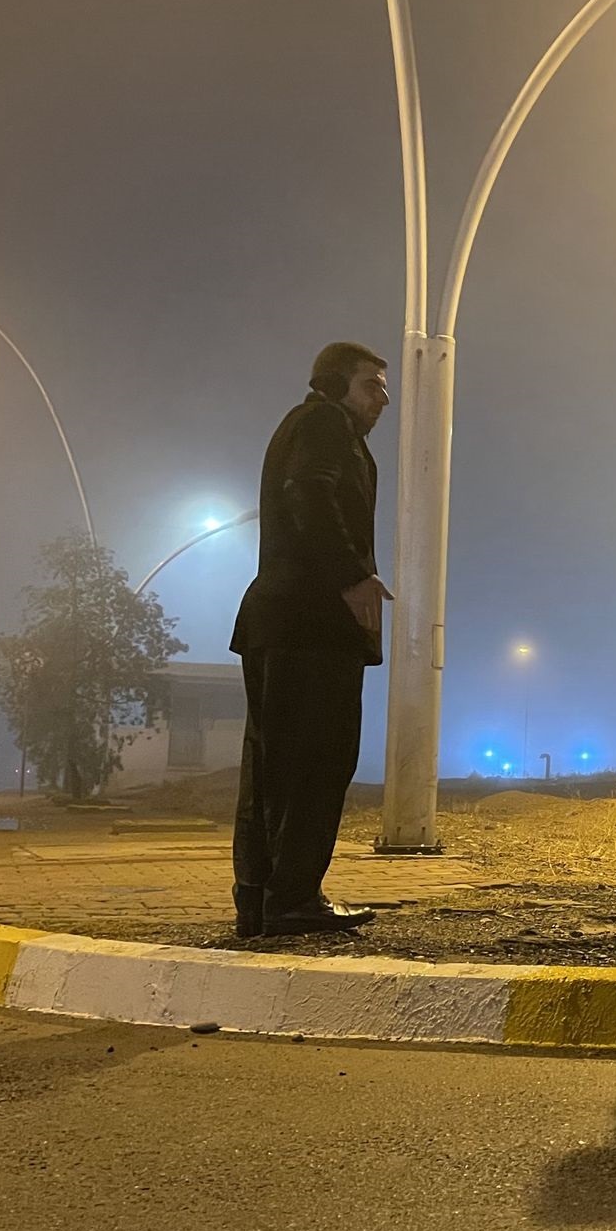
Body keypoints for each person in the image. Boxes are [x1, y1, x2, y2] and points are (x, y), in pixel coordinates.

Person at [228, 342, 393, 938]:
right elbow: (309, 493)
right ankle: (293, 899)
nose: (384, 399)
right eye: (372, 384)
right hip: (311, 626)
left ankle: (263, 901)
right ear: (334, 385)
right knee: (315, 763)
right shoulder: (324, 423)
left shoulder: (307, 425)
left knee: (273, 767)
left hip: (282, 623)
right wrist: (352, 576)